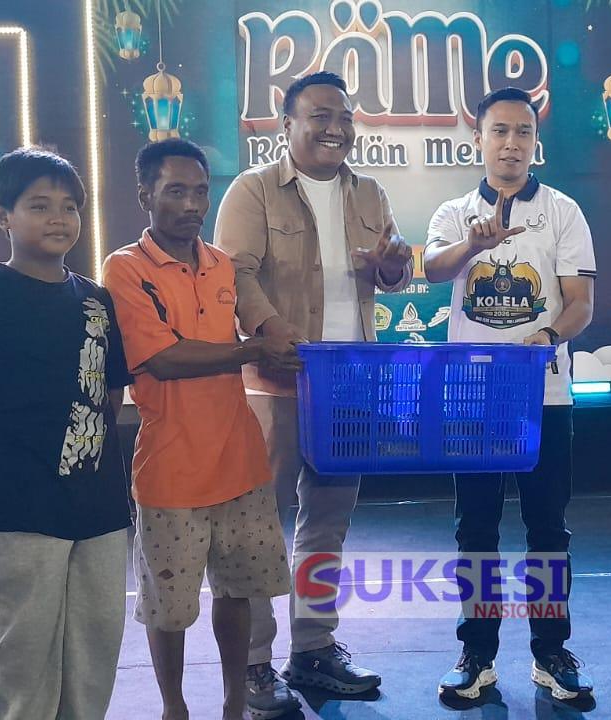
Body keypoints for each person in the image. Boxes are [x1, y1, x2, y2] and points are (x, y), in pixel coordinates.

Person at [214, 70, 414, 710]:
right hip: (274, 385)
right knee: (257, 527)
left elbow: (390, 276)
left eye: (345, 117)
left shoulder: (370, 192)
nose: (336, 128)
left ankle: (313, 649)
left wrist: (393, 266)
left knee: (327, 526)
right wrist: (273, 331)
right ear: (288, 124)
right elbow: (234, 276)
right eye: (320, 116)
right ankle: (253, 664)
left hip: (349, 386)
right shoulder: (253, 191)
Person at [0, 148, 133, 719]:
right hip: (18, 503)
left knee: (97, 644)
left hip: (99, 507)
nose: (58, 218)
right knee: (24, 652)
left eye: (69, 206)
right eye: (39, 206)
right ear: (3, 216)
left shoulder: (95, 300)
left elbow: (109, 391)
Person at [104, 139, 297, 720]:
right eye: (175, 191)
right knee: (169, 611)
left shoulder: (221, 264)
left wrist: (284, 344)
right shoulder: (125, 268)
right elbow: (161, 359)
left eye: (200, 192)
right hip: (171, 469)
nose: (192, 204)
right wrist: (253, 349)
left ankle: (235, 703)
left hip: (240, 462)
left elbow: (259, 326)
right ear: (145, 195)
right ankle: (175, 708)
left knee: (237, 594)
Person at [422, 87, 596, 703]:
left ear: (535, 143)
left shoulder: (563, 211)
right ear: (478, 139)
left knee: (548, 530)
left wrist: (547, 335)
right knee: (476, 529)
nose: (511, 143)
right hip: (474, 400)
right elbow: (433, 269)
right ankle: (477, 653)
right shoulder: (454, 213)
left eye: (523, 132)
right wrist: (476, 244)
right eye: (499, 131)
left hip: (543, 396)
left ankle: (551, 652)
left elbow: (581, 303)